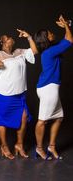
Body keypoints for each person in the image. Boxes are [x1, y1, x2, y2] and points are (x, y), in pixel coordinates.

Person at [0, 30, 38, 159]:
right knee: (2, 121)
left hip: (19, 94)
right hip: (2, 95)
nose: (11, 38)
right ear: (3, 43)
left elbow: (34, 51)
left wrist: (29, 37)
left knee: (24, 118)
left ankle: (19, 144)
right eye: (8, 38)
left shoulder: (19, 52)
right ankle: (4, 146)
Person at [34, 15, 73, 160]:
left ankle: (51, 146)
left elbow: (65, 39)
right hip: (48, 88)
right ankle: (39, 148)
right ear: (46, 38)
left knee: (58, 117)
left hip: (50, 87)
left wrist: (66, 24)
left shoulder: (51, 50)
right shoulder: (49, 52)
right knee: (42, 120)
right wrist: (66, 26)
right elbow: (69, 40)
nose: (52, 33)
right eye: (49, 33)